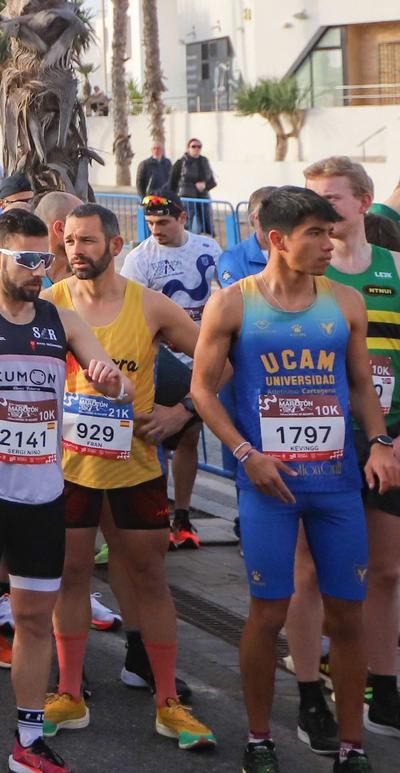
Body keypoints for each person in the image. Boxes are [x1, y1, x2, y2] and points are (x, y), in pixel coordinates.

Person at [0, 207, 132, 773]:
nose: (40, 269)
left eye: (46, 259)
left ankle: (28, 741)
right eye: (28, 259)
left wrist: (114, 384)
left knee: (36, 620)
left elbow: (112, 379)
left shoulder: (59, 321)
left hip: (40, 493)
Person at [190, 186, 396, 773]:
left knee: (348, 614)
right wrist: (244, 453)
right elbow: (203, 389)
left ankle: (354, 747)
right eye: (315, 234)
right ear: (277, 240)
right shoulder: (232, 304)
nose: (329, 244)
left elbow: (361, 385)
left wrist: (379, 443)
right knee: (268, 610)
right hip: (268, 487)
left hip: (335, 485)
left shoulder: (346, 303)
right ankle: (259, 739)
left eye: (330, 232)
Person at [41, 204, 215, 749]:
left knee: (149, 579)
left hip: (134, 466)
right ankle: (69, 693)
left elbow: (218, 361)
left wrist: (182, 411)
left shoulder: (152, 306)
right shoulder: (51, 303)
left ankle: (168, 702)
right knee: (69, 575)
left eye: (88, 241)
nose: (76, 251)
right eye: (69, 240)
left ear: (116, 247)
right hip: (66, 468)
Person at [302, 158, 400, 737]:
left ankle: (384, 687)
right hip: (321, 443)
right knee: (312, 572)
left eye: (332, 199)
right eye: (311, 200)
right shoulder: (304, 280)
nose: (321, 211)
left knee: (386, 571)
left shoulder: (395, 270)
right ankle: (312, 692)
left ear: (364, 202)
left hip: (386, 440)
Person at [122, 193, 220, 550]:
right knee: (155, 436)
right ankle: (157, 513)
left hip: (201, 355)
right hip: (160, 359)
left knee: (190, 437)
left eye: (163, 222)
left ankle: (182, 514)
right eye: (150, 224)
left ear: (182, 218)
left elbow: (222, 297)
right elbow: (131, 311)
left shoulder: (208, 248)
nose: (156, 230)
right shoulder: (139, 258)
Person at [171, 139, 218, 233]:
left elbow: (212, 182)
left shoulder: (204, 161)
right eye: (193, 146)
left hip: (203, 199)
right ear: (188, 148)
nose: (196, 148)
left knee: (205, 224)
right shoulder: (180, 162)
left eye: (199, 146)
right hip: (186, 199)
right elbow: (172, 182)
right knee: (188, 224)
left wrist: (205, 185)